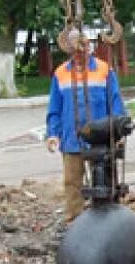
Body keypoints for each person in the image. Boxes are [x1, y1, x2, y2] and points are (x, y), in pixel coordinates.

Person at [46, 31, 127, 222]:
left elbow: (115, 103)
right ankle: (76, 221)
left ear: (89, 47)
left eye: (83, 48)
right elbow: (55, 108)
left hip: (101, 139)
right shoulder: (61, 74)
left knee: (107, 180)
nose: (80, 53)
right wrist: (53, 134)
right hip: (72, 139)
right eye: (75, 49)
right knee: (72, 182)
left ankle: (111, 218)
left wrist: (118, 130)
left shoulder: (104, 70)